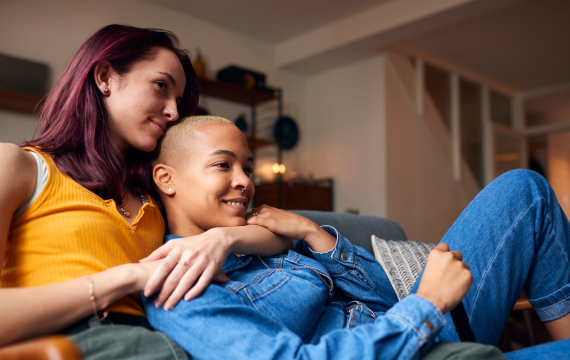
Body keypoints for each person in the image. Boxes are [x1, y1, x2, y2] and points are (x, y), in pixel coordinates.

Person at [142, 115, 570, 360]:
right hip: (415, 341)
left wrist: (311, 233)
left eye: (248, 168)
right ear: (166, 178)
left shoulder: (261, 238)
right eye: (223, 165)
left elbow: (383, 297)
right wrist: (430, 303)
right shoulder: (176, 283)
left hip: (422, 330)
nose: (244, 182)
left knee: (524, 190)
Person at [0, 24, 292, 358]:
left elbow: (277, 237)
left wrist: (224, 239)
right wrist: (130, 277)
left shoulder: (155, 197)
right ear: (105, 77)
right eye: (160, 86)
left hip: (173, 343)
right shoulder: (17, 166)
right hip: (75, 343)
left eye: (179, 100)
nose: (173, 112)